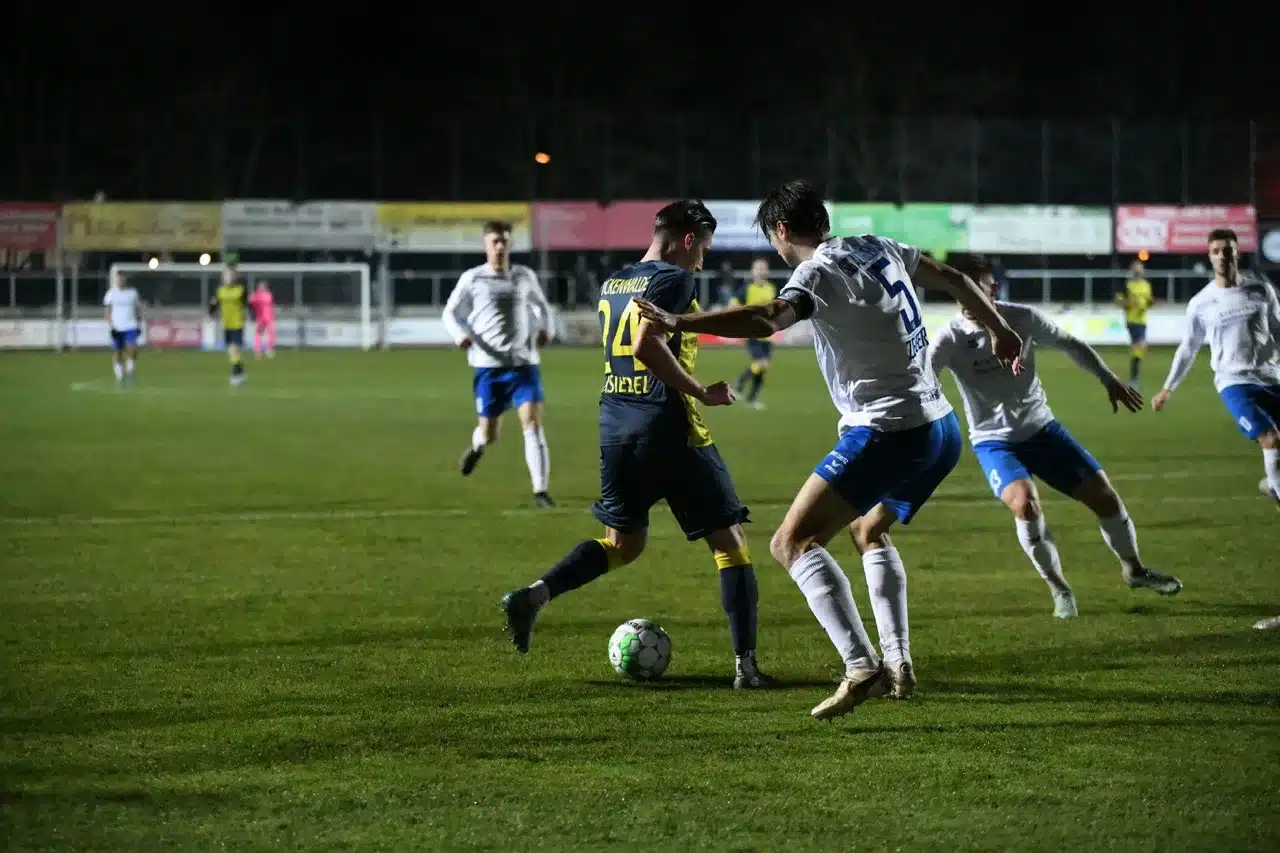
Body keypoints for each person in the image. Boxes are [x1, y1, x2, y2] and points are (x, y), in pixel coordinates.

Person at [635, 180, 1022, 719]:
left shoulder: (816, 273)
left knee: (791, 542)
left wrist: (681, 320)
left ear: (782, 230)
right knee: (869, 530)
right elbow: (954, 278)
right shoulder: (878, 245)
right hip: (940, 427)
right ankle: (899, 663)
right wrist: (1001, 329)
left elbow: (770, 319)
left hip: (888, 429)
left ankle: (859, 664)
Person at [499, 200, 774, 689]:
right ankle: (746, 669)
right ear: (689, 239)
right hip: (669, 428)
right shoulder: (675, 279)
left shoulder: (617, 280)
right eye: (704, 248)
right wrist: (702, 391)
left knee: (622, 545)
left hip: (615, 425)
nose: (703, 260)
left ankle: (535, 596)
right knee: (730, 546)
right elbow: (647, 345)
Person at [931, 257, 1182, 619]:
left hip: (1043, 430)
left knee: (1105, 497)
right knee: (1026, 505)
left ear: (993, 290)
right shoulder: (950, 338)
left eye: (975, 287)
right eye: (960, 288)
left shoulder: (1022, 318)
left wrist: (1108, 379)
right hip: (993, 441)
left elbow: (1070, 344)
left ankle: (1135, 570)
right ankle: (1059, 589)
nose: (966, 297)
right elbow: (923, 378)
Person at [1152, 228, 1280, 631]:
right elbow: (1188, 348)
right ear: (1209, 257)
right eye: (1215, 251)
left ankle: (1270, 479)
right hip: (1234, 382)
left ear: (1238, 252)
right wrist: (1168, 387)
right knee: (1271, 438)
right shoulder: (1201, 304)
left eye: (1227, 249)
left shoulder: (1262, 290)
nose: (1222, 256)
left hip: (1272, 379)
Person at [443, 221, 556, 508]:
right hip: (488, 367)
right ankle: (478, 446)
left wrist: (547, 329)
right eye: (495, 241)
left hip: (523, 364)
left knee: (532, 423)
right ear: (486, 245)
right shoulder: (473, 279)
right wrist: (460, 335)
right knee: (491, 433)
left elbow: (543, 307)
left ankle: (540, 491)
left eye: (505, 241)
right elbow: (450, 312)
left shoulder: (523, 276)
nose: (500, 246)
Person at [731, 258, 778, 409]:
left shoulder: (771, 288)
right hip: (752, 332)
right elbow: (733, 304)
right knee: (761, 363)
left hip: (768, 333)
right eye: (758, 268)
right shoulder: (747, 288)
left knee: (764, 368)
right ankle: (739, 381)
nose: (761, 271)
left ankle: (751, 398)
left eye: (763, 268)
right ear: (753, 271)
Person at [1115, 259, 1155, 387]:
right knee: (1139, 347)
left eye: (1141, 268)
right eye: (1137, 269)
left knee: (1139, 349)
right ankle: (1134, 379)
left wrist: (1150, 303)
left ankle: (1134, 378)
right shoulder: (1128, 285)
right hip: (1132, 320)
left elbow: (1149, 301)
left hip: (1142, 320)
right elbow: (1119, 300)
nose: (1139, 271)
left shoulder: (1146, 285)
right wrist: (1128, 303)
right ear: (1133, 271)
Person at [210, 265, 251, 386]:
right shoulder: (220, 290)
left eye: (230, 275)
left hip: (238, 323)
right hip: (226, 324)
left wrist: (250, 315)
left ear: (234, 277)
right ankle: (241, 372)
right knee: (232, 351)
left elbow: (247, 304)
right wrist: (210, 315)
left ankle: (235, 375)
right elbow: (214, 304)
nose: (228, 278)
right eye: (226, 275)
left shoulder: (240, 289)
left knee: (234, 349)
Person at [103, 276, 143, 385]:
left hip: (131, 325)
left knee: (132, 348)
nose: (120, 282)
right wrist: (110, 325)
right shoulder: (111, 294)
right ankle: (119, 375)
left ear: (125, 281)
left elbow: (137, 308)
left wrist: (139, 322)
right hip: (117, 327)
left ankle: (130, 371)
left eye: (122, 280)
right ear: (116, 281)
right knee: (118, 351)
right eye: (119, 280)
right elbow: (107, 311)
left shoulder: (132, 293)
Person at [249, 281, 276, 358]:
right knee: (259, 333)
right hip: (260, 317)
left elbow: (271, 305)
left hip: (269, 317)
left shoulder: (268, 294)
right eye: (260, 286)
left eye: (263, 286)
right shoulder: (256, 295)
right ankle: (258, 350)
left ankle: (269, 349)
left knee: (271, 332)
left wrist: (273, 313)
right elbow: (251, 304)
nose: (262, 287)